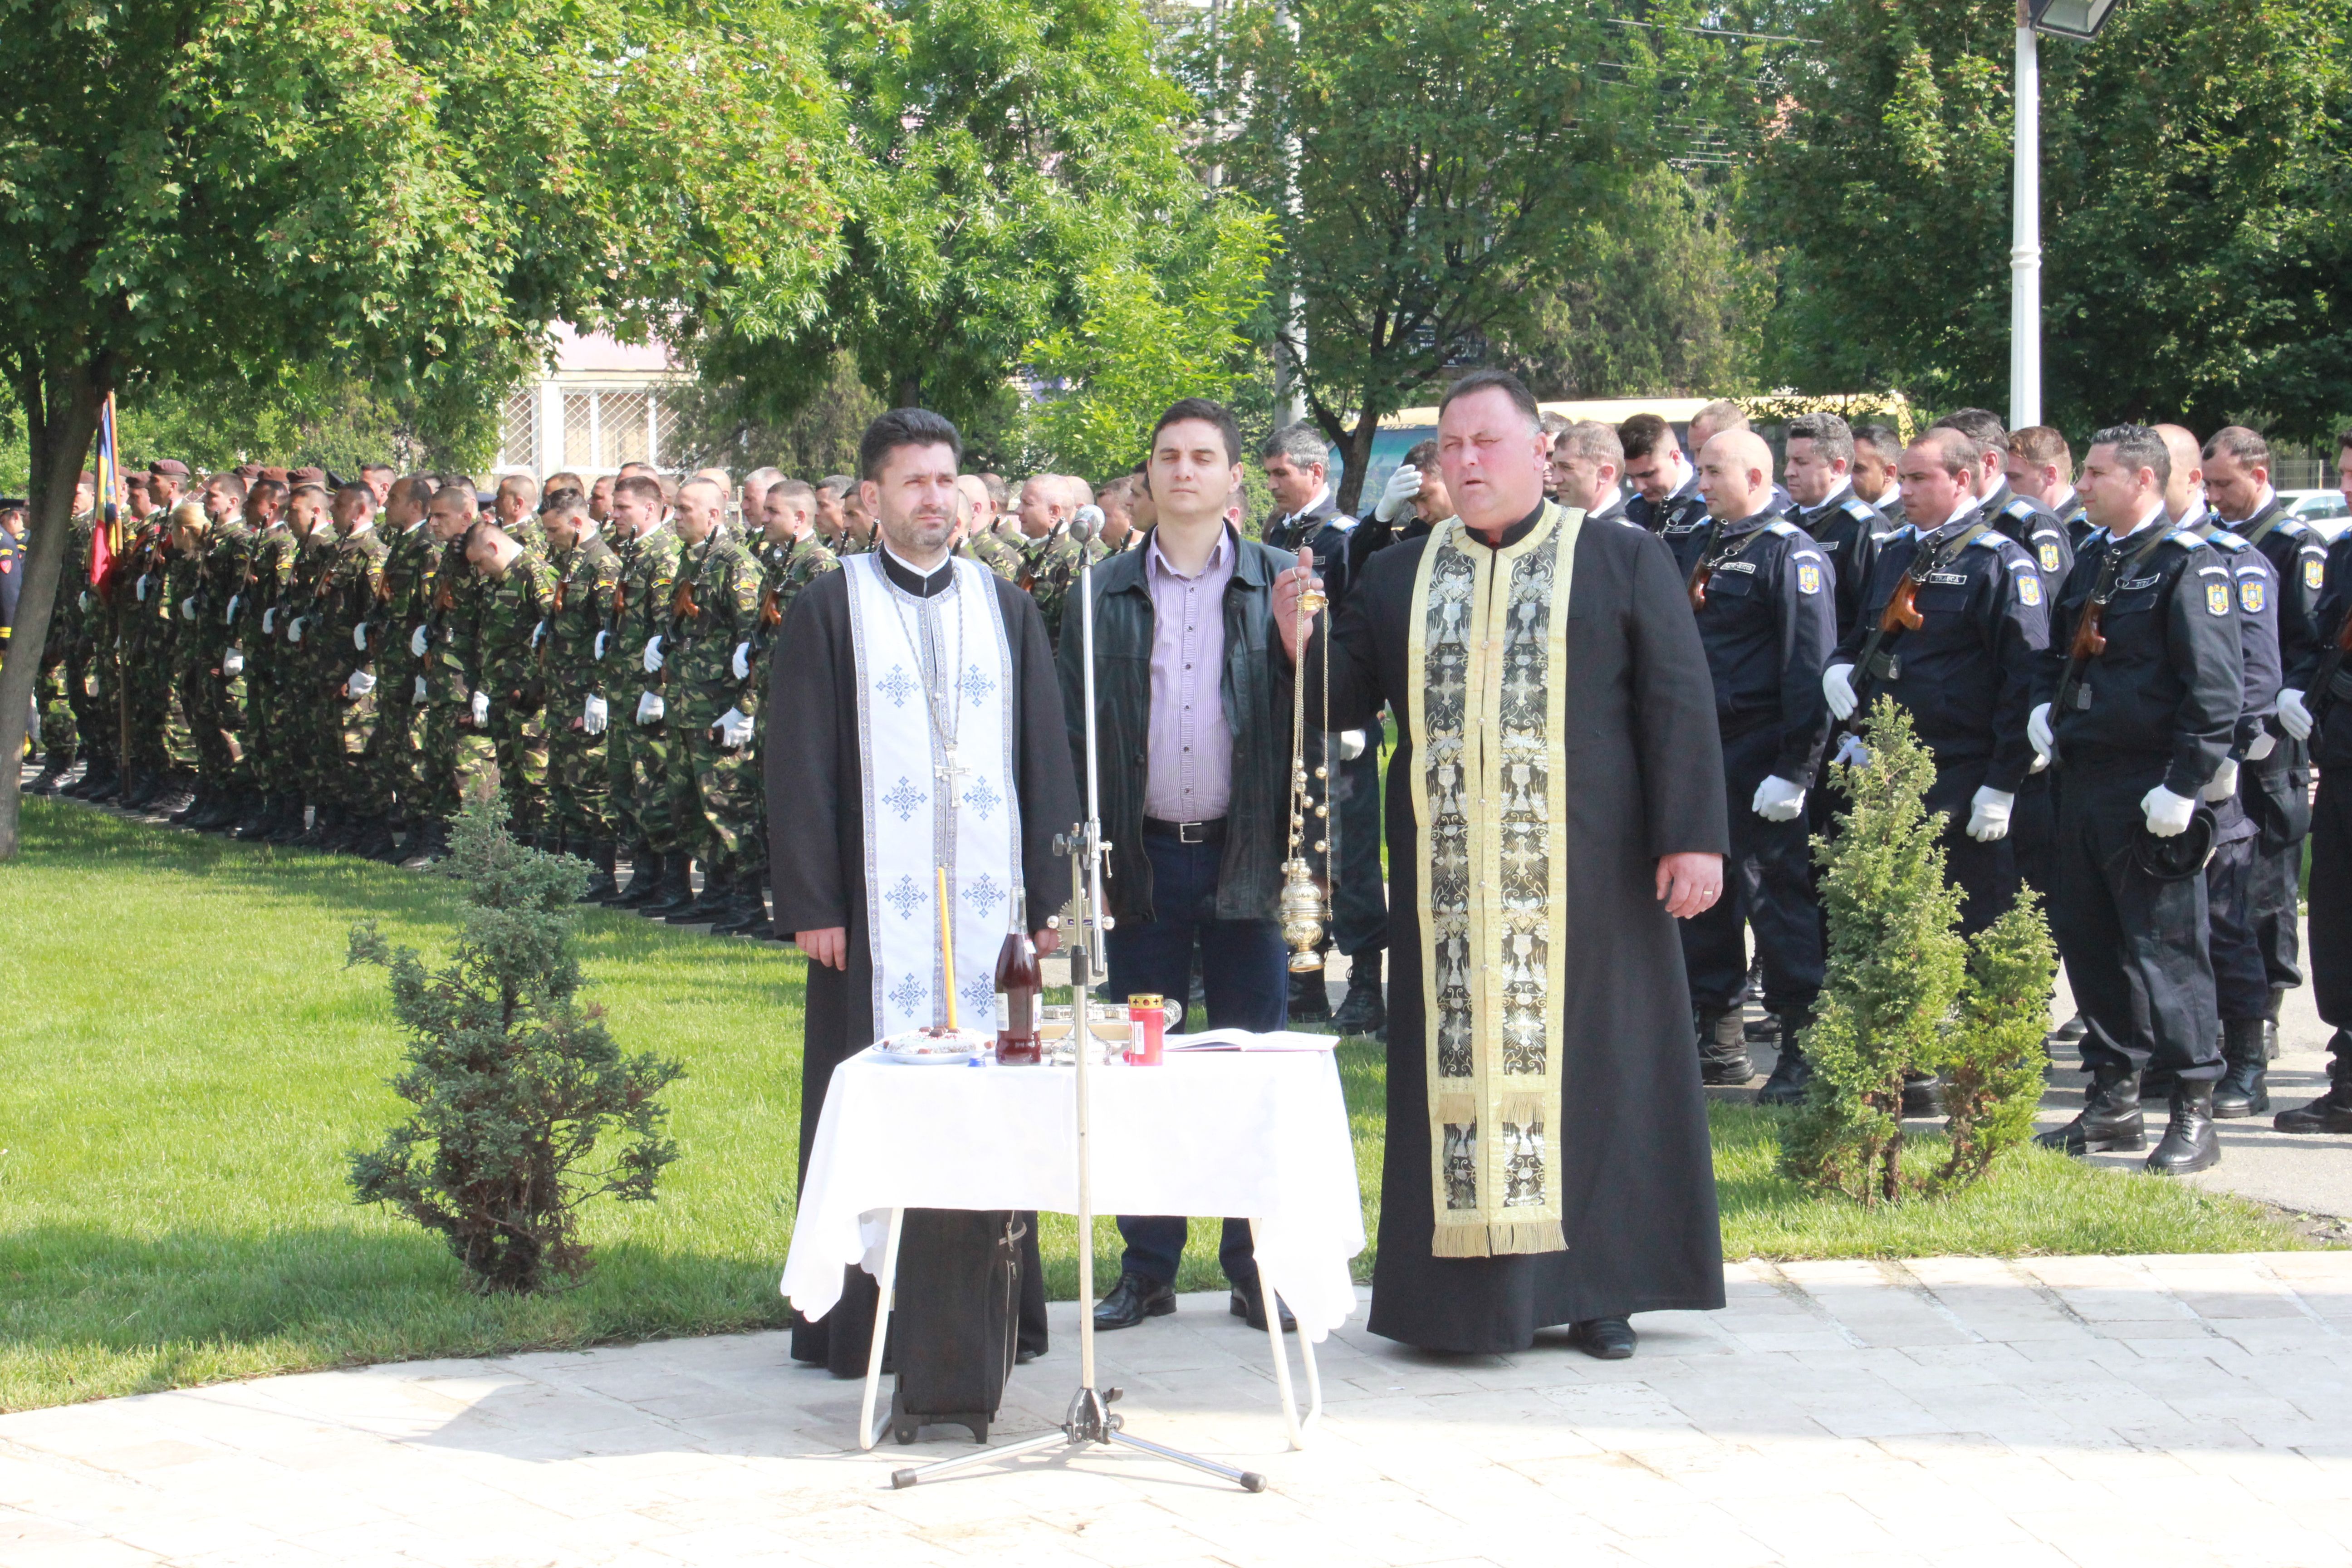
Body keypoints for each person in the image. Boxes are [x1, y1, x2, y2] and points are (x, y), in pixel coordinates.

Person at [1275, 368, 1728, 1359]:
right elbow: (1342, 703)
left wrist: (1694, 837)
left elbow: (1679, 704)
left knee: (1596, 1075)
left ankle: (1602, 1289)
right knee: (1457, 1084)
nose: (1467, 462)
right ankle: (1463, 1306)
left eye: (1487, 443)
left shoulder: (1619, 557)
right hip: (1448, 895)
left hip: (1594, 877)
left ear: (1541, 454)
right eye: (1451, 446)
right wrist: (1300, 639)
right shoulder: (1399, 573)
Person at [767, 407, 1078, 1384]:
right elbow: (798, 762)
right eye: (913, 482)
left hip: (993, 918)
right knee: (865, 1102)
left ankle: (998, 1311)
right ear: (871, 499)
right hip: (870, 917)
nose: (934, 498)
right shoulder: (830, 606)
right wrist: (814, 900)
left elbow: (1046, 758)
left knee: (998, 1098)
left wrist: (1052, 897)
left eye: (947, 480)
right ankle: (858, 1324)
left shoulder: (1006, 605)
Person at [1060, 398, 1302, 1336]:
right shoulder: (1101, 591)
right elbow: (1074, 728)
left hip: (1248, 859)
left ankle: (1253, 1267)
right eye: (1169, 457)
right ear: (1149, 476)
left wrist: (1300, 644)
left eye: (1205, 457)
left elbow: (1319, 716)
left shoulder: (1284, 581)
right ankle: (1148, 1267)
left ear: (1235, 476)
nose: (1186, 471)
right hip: (1142, 861)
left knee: (1250, 1065)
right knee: (1138, 1070)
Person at [2030, 425, 2241, 1174]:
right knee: (2089, 942)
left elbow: (2213, 687)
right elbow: (2055, 654)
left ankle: (2191, 1108)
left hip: (2146, 783)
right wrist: (2040, 708)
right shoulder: (2095, 556)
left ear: (2142, 481)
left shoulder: (2188, 565)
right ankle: (2112, 1099)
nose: (2078, 486)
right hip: (2081, 777)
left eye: (2093, 474)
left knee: (2164, 950)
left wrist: (2183, 786)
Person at [1823, 429, 2047, 938]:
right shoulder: (1899, 551)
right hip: (1891, 768)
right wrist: (1839, 666)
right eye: (1902, 478)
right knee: (1896, 929)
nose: (1905, 490)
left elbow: (2024, 678)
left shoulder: (1997, 562)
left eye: (1920, 478)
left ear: (1962, 481)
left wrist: (2003, 782)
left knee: (1969, 925)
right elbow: (1865, 636)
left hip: (1963, 773)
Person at [1669, 430, 1836, 1101]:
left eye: (1713, 471)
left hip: (1761, 746)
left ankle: (1802, 1046)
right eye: (1701, 470)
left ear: (1758, 475)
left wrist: (1797, 768)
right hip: (1704, 747)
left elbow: (1809, 667)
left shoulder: (1790, 554)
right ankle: (1720, 1037)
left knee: (1776, 899)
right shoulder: (1709, 543)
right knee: (1701, 896)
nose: (1701, 482)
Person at [2159, 435, 2283, 1120]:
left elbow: (2257, 677)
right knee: (2160, 929)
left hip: (2211, 775)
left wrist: (2224, 762)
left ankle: (2247, 1061)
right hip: (2154, 768)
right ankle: (2176, 1053)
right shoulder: (2139, 559)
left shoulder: (2237, 562)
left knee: (2223, 922)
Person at [2204, 426, 2328, 1060]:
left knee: (2271, 876)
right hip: (2229, 734)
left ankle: (2270, 1004)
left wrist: (2281, 710)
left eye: (2225, 483)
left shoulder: (2290, 543)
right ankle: (2230, 1002)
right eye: (2209, 484)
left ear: (2259, 472)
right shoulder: (2209, 543)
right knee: (2226, 871)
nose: (2215, 495)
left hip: (2276, 737)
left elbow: (2304, 639)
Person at [1260, 423, 1375, 1024]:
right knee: (1297, 842)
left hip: (1339, 709)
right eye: (1270, 473)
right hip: (1293, 710)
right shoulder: (1279, 533)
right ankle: (1304, 967)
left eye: (1282, 472)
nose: (1273, 483)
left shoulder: (1346, 536)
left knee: (1344, 847)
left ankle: (1363, 979)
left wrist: (1362, 704)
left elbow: (1360, 616)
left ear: (1315, 473)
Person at [2272, 427, 2352, 1133]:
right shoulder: (2348, 551)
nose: (2349, 487)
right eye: (2347, 473)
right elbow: (2315, 639)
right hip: (2346, 758)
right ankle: (2348, 1077)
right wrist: (2301, 689)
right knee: (2337, 916)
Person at [723, 480, 841, 938]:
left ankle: (805, 916)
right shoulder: (779, 562)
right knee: (770, 806)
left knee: (801, 810)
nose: (764, 518)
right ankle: (768, 910)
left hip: (805, 707)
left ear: (799, 518)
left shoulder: (819, 566)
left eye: (773, 511)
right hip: (773, 699)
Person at [648, 475, 765, 928]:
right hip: (684, 707)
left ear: (713, 515)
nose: (676, 518)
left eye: (684, 510)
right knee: (690, 806)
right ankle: (715, 891)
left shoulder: (735, 565)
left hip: (718, 709)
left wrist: (746, 708)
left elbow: (753, 642)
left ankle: (747, 900)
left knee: (730, 807)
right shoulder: (690, 562)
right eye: (675, 510)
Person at [603, 473, 687, 910]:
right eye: (614, 507)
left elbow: (666, 631)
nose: (613, 515)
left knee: (655, 789)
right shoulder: (632, 553)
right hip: (623, 690)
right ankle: (644, 876)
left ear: (650, 509)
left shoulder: (663, 555)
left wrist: (656, 690)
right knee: (628, 787)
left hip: (647, 695)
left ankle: (672, 885)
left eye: (623, 508)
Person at [539, 487, 622, 891]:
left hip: (586, 692)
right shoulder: (569, 560)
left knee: (591, 784)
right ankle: (573, 870)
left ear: (576, 523)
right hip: (562, 689)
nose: (549, 538)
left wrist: (600, 693)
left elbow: (613, 635)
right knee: (565, 782)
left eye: (554, 530)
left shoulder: (602, 564)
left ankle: (600, 874)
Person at [1783, 413, 1891, 644]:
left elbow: (1874, 620)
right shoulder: (1785, 522)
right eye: (1789, 461)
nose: (1789, 472)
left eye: (1801, 463)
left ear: (1837, 467)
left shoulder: (1864, 527)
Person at [1619, 413, 1706, 536]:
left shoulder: (1709, 508)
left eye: (1648, 474)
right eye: (1631, 477)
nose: (1639, 487)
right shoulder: (1632, 510)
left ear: (1675, 458)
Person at [2006, 427, 2087, 546]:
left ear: (2050, 475)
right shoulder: (2012, 524)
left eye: (2014, 477)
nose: (2005, 486)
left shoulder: (2085, 536)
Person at [1549, 421, 1633, 528]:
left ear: (1605, 474)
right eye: (1555, 467)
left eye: (1567, 467)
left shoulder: (1628, 541)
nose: (1554, 480)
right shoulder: (1555, 528)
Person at [1849, 423, 1904, 510]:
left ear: (1889, 473)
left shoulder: (1910, 519)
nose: (1847, 477)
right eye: (1846, 468)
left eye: (1857, 468)